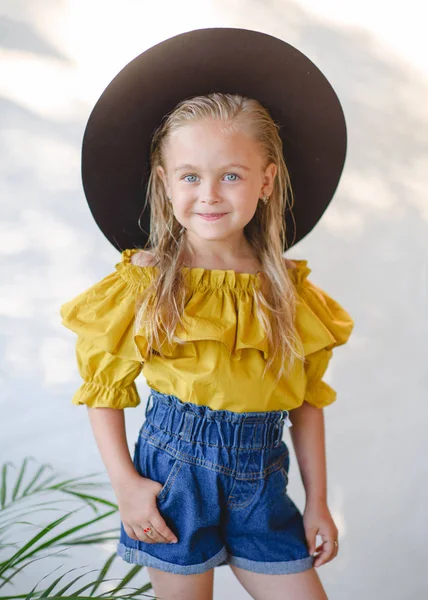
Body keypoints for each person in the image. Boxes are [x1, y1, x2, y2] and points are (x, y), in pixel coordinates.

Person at [60, 28, 354, 600]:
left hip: (263, 481)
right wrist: (126, 485)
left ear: (266, 180)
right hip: (172, 478)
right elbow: (104, 388)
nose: (210, 193)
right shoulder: (145, 282)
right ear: (166, 184)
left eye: (232, 175)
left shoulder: (290, 291)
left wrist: (316, 501)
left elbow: (308, 403)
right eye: (191, 175)